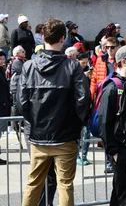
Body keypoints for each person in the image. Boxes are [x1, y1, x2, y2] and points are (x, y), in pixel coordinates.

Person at [20, 18, 91, 206]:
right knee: (65, 185)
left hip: (39, 136)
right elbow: (83, 99)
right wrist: (78, 123)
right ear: (62, 38)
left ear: (43, 37)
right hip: (65, 136)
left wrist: (34, 122)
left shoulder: (29, 66)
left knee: (33, 184)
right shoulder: (72, 66)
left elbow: (21, 102)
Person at [97, 45, 126, 206]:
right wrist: (113, 151)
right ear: (125, 62)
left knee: (121, 191)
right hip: (120, 148)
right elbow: (104, 121)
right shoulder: (113, 87)